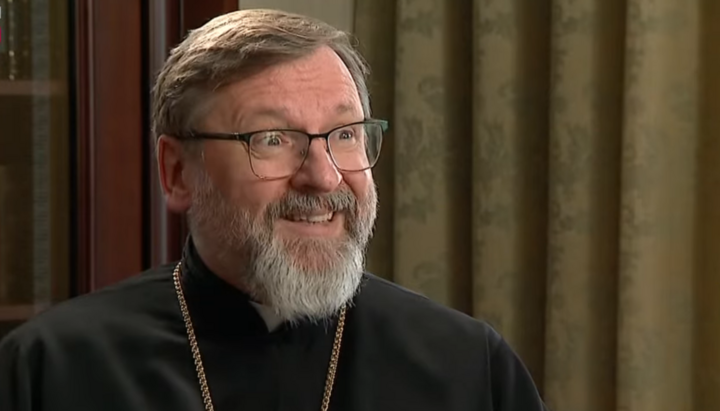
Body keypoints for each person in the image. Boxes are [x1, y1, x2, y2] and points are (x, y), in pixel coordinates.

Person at [0, 9, 548, 411]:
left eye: (346, 134)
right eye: (272, 139)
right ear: (177, 172)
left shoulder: (469, 367)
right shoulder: (52, 369)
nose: (323, 176)